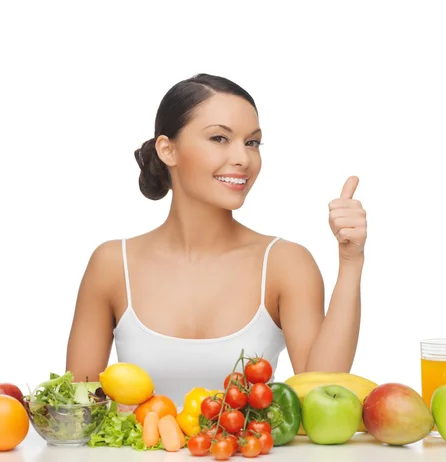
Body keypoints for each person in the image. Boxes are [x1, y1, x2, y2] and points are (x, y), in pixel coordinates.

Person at [65, 73, 367, 407]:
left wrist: (351, 262)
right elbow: (76, 408)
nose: (243, 158)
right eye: (220, 139)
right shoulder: (111, 264)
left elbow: (321, 398)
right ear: (168, 149)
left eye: (252, 142)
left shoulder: (286, 263)